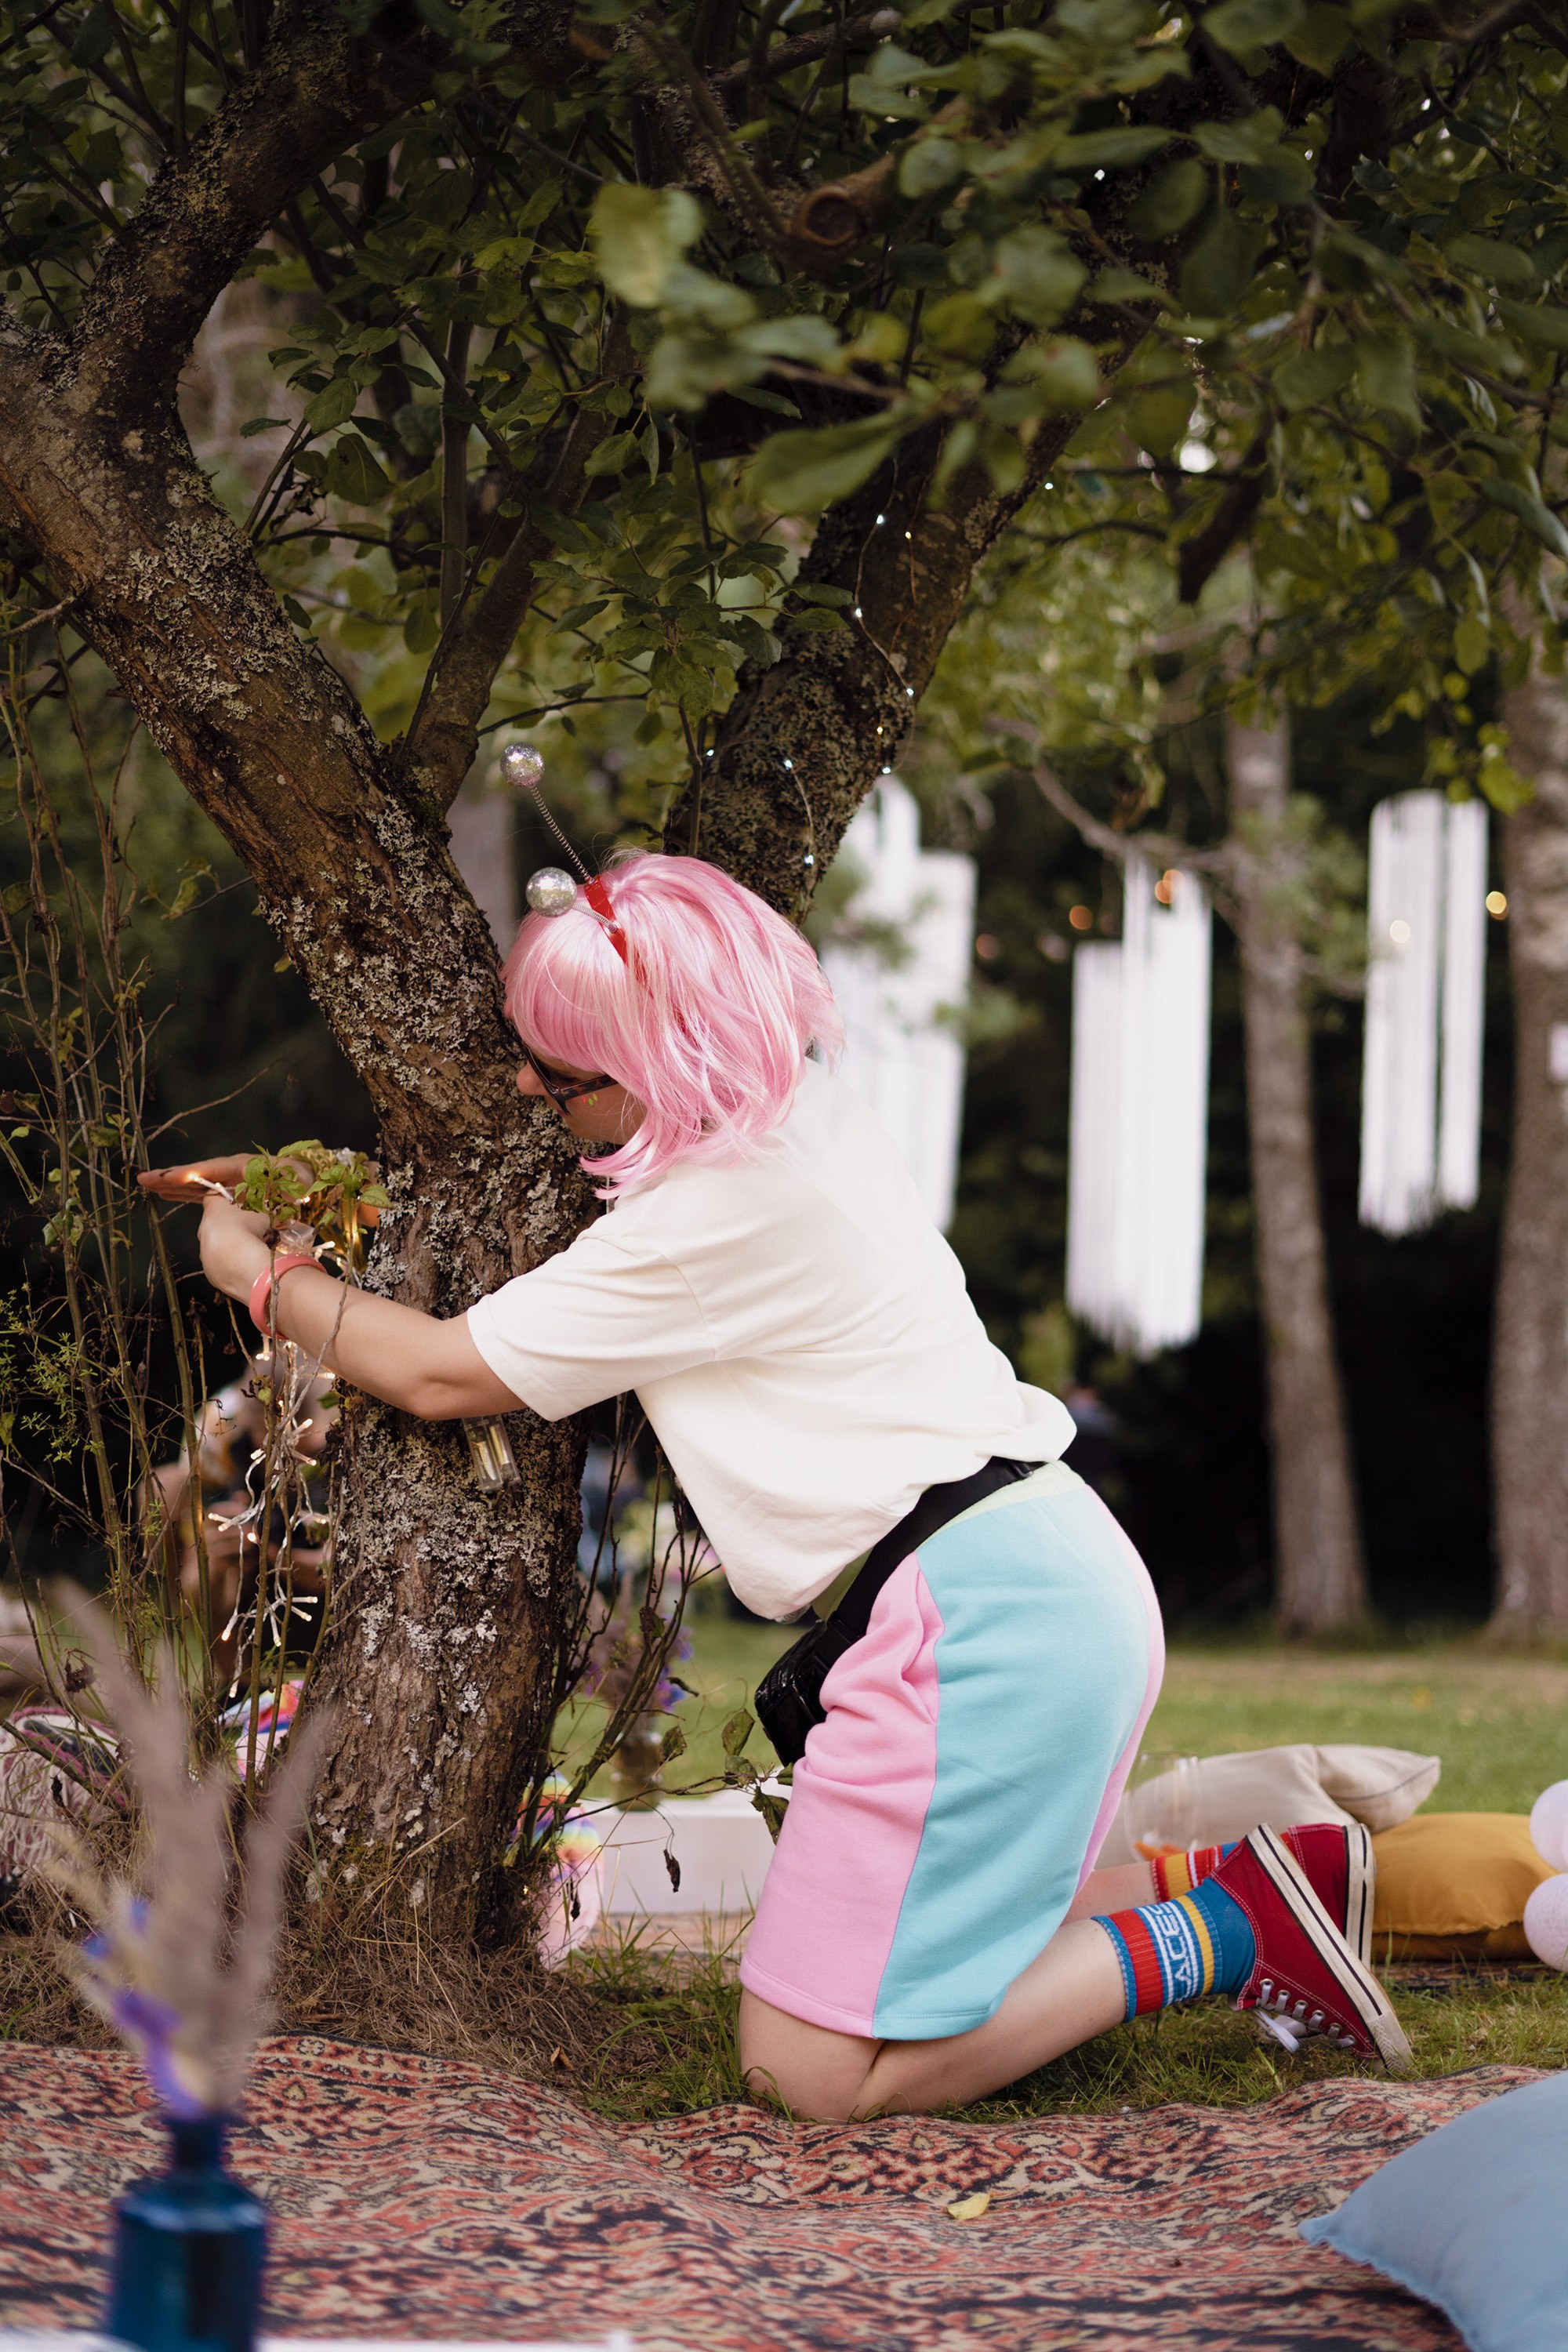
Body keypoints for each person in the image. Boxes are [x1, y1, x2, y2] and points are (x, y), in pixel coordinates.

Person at [140, 848, 1410, 2118]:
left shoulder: (706, 1224)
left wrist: (256, 1277)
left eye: (563, 1074)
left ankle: (1227, 1926)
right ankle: (1263, 1877)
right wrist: (333, 1197)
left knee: (803, 2077)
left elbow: (431, 1372)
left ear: (652, 1070)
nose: (530, 1089)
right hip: (1038, 1577)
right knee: (989, 1928)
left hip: (978, 1629)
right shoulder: (796, 1112)